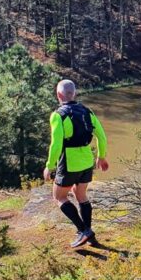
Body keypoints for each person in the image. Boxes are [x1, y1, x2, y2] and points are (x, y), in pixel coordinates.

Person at [44, 79, 109, 248]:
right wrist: (101, 157)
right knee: (81, 195)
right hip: (87, 160)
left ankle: (83, 231)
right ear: (75, 93)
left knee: (59, 197)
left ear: (58, 95)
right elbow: (101, 136)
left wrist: (50, 166)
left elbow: (56, 144)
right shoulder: (88, 112)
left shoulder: (58, 115)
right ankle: (89, 235)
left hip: (69, 162)